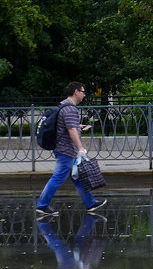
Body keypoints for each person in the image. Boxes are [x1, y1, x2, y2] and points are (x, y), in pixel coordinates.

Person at [36, 82, 106, 217]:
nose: (84, 95)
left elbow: (67, 126)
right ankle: (42, 205)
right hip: (66, 150)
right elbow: (71, 130)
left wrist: (78, 126)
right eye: (83, 91)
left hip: (64, 149)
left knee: (78, 177)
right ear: (76, 92)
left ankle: (90, 203)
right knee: (58, 177)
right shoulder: (70, 109)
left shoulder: (63, 106)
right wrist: (80, 148)